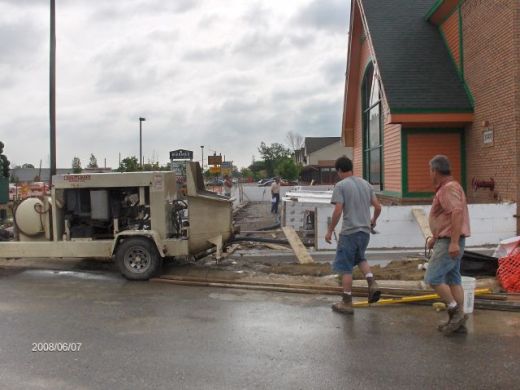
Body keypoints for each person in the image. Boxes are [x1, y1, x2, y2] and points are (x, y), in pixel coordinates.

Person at [325, 156, 382, 314]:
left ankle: (347, 302)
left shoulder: (341, 185)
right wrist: (373, 221)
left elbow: (338, 210)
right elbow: (378, 207)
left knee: (346, 267)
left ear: (339, 171)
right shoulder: (366, 184)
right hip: (364, 231)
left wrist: (330, 230)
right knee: (360, 258)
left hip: (350, 232)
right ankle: (372, 283)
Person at [425, 155, 471, 336]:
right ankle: (458, 322)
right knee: (453, 279)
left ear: (435, 171)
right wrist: (435, 237)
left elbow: (456, 213)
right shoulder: (451, 187)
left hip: (450, 241)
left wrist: (452, 242)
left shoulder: (448, 189)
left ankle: (455, 312)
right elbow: (446, 217)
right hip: (447, 240)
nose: (430, 175)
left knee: (432, 278)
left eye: (430, 171)